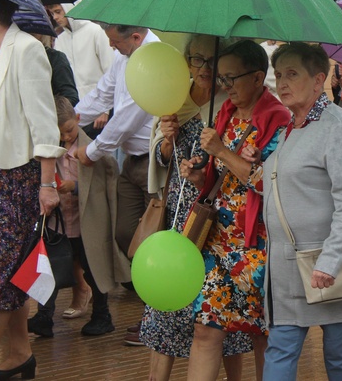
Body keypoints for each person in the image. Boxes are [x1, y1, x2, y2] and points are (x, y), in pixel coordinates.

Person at [258, 42, 342, 379]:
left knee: (340, 352)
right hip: (286, 266)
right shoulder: (290, 126)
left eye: (292, 74)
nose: (282, 82)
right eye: (279, 74)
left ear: (318, 80)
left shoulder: (336, 125)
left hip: (329, 264)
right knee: (281, 347)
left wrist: (330, 261)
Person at [180, 40, 290, 381]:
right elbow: (220, 179)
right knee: (206, 329)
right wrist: (200, 175)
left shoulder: (278, 120)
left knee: (262, 333)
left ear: (258, 77)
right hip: (218, 239)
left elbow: (267, 182)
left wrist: (221, 150)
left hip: (256, 242)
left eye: (231, 78)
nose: (224, 86)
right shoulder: (225, 112)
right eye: (221, 78)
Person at [140, 35, 249, 381]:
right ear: (186, 61)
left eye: (211, 60)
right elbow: (159, 157)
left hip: (216, 217)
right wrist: (168, 140)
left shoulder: (230, 102)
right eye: (197, 59)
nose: (203, 68)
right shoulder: (175, 97)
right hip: (178, 214)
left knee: (220, 311)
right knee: (168, 302)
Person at [0, 0, 64, 379]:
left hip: (17, 177)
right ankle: (20, 352)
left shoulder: (25, 50)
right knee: (12, 270)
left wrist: (47, 184)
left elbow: (43, 123)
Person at [74, 24, 158, 346]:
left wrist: (92, 152)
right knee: (125, 232)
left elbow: (127, 116)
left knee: (153, 239)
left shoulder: (154, 58)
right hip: (132, 161)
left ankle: (155, 316)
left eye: (115, 42)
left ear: (135, 37)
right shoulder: (125, 56)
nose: (111, 47)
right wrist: (70, 123)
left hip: (156, 165)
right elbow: (102, 93)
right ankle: (152, 300)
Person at [27, 96, 128, 339]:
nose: (65, 137)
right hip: (59, 223)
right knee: (48, 268)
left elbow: (106, 183)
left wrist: (74, 187)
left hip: (87, 225)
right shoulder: (50, 151)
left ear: (79, 119)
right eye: (60, 133)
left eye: (70, 130)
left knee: (93, 269)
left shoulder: (94, 150)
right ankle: (44, 316)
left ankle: (102, 314)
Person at [47, 3, 114, 138]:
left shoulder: (95, 31)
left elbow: (110, 70)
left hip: (101, 108)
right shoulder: (60, 39)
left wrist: (105, 110)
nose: (55, 17)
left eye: (58, 11)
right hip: (77, 113)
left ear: (70, 8)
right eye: (52, 13)